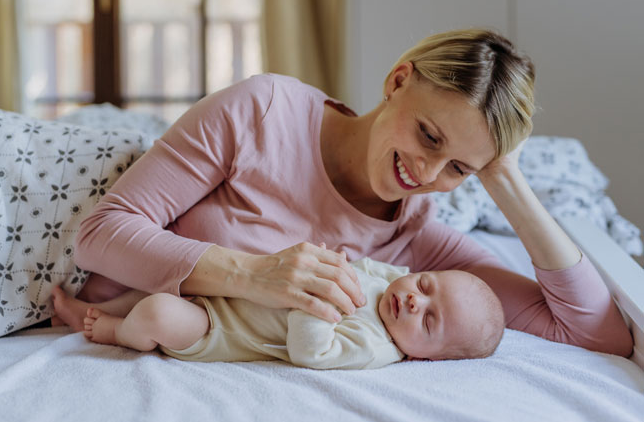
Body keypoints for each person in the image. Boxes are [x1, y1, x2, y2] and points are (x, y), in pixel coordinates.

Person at [56, 29, 633, 358]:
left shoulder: (417, 248)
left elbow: (593, 330)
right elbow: (100, 236)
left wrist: (502, 174)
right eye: (428, 135)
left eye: (458, 167)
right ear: (398, 81)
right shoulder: (264, 111)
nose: (427, 172)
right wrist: (252, 275)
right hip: (105, 322)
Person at [52, 256, 505, 369]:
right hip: (229, 291)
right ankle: (89, 308)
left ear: (429, 357)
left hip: (219, 328)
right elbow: (357, 264)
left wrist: (320, 303)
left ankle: (112, 331)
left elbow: (311, 352)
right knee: (162, 280)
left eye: (428, 320)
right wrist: (336, 262)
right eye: (425, 286)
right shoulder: (391, 283)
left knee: (157, 313)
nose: (413, 300)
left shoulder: (376, 346)